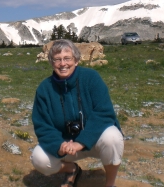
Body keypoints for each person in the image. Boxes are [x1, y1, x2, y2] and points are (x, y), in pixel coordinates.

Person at [31, 39, 124, 187]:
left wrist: (81, 142)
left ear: (76, 60)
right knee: (39, 158)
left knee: (112, 137)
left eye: (67, 58)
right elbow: (42, 125)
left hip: (93, 140)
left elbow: (104, 113)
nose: (63, 64)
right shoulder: (44, 89)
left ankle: (110, 184)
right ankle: (72, 169)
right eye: (57, 59)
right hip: (65, 145)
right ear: (51, 62)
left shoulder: (91, 78)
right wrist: (59, 145)